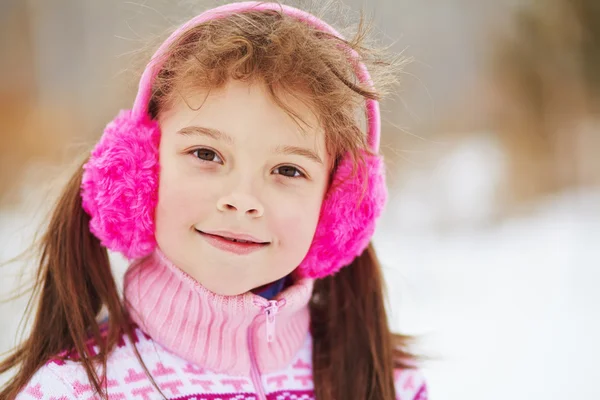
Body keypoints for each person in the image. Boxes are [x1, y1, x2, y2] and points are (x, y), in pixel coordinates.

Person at [0, 1, 427, 399]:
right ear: (137, 173)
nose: (242, 201)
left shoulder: (389, 383)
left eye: (288, 170)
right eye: (206, 154)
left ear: (336, 209)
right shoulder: (75, 389)